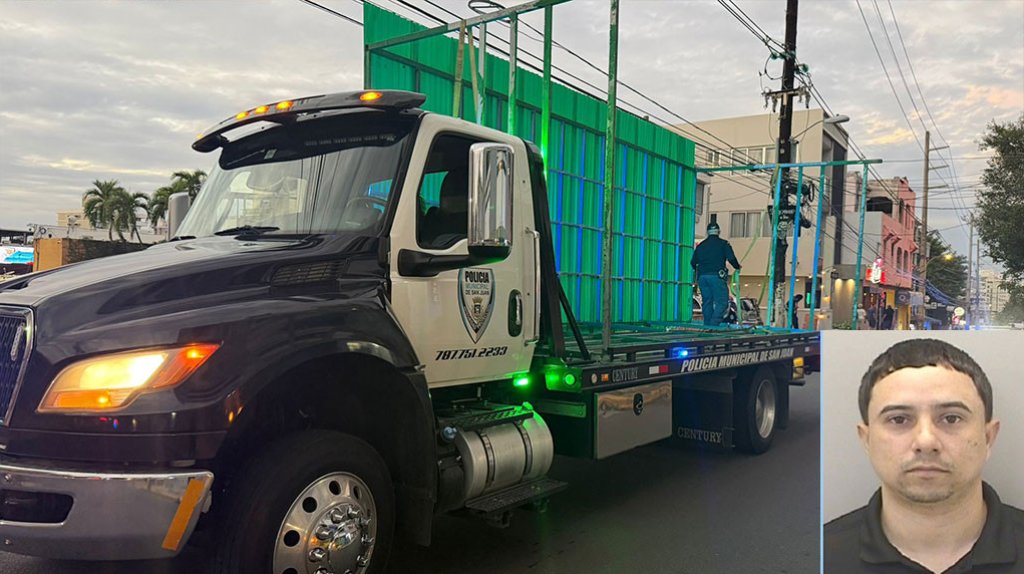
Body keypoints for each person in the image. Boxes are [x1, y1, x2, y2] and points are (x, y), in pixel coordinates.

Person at [824, 339, 1024, 573]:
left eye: (951, 418)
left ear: (988, 437)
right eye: (899, 419)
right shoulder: (824, 556)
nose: (926, 442)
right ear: (866, 440)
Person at [690, 221, 741, 327]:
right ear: (719, 232)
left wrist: (700, 272)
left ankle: (707, 326)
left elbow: (693, 262)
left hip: (702, 277)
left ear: (707, 232)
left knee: (707, 301)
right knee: (722, 302)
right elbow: (731, 258)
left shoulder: (701, 246)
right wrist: (737, 266)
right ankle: (713, 325)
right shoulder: (723, 244)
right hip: (717, 276)